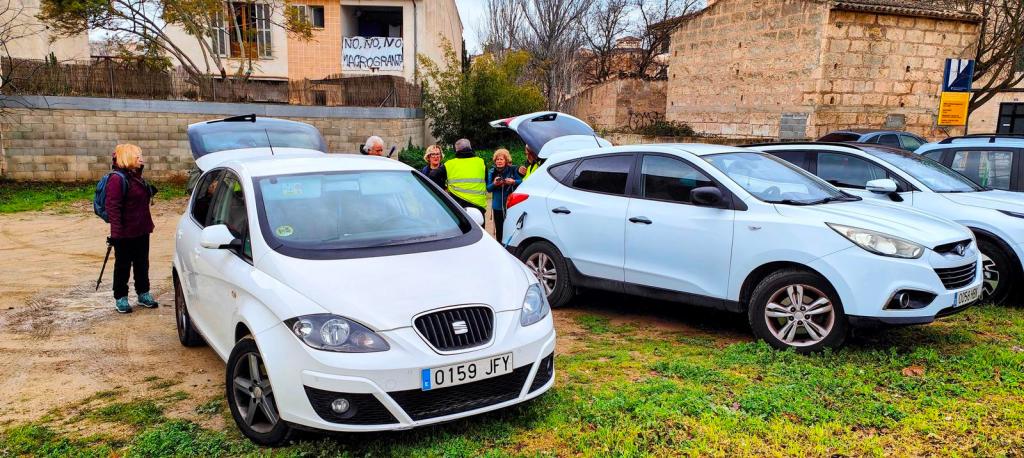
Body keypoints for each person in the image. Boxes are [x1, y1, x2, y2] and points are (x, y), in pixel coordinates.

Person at [105, 144, 158, 314]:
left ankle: (143, 293)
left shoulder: (136, 176)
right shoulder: (117, 179)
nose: (141, 159)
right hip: (124, 233)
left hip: (142, 229)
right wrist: (116, 234)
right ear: (128, 157)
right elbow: (113, 207)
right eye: (138, 156)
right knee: (123, 265)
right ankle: (120, 297)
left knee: (142, 263)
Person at [444, 138, 488, 220]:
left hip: (458, 205)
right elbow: (486, 180)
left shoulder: (449, 164)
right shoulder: (481, 162)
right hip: (478, 206)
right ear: (470, 148)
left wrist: (444, 189)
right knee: (480, 231)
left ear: (456, 150)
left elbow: (433, 176)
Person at [486, 148, 521, 242]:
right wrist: (494, 184)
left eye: (501, 159)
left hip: (511, 205)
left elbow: (521, 182)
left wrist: (513, 181)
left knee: (510, 228)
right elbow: (488, 188)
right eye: (497, 159)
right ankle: (500, 247)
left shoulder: (513, 169)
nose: (499, 161)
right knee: (499, 230)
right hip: (497, 206)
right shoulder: (492, 171)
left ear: (506, 160)